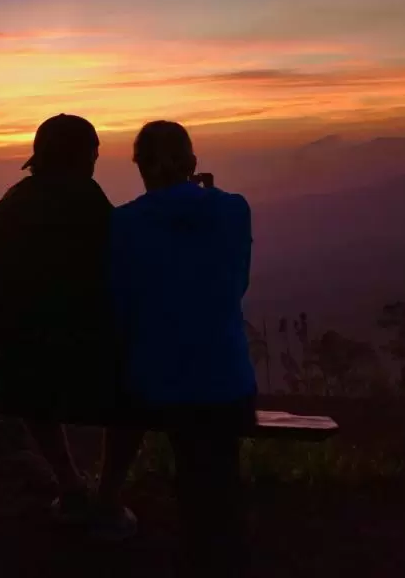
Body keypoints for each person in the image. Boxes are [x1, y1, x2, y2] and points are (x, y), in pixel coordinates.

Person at [0, 114, 138, 537]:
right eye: (95, 153)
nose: (97, 162)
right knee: (145, 378)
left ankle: (69, 487)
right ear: (83, 156)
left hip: (15, 379)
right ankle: (109, 498)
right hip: (88, 378)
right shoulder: (95, 209)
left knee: (23, 362)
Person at [110, 120, 256, 575]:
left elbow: (121, 306)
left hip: (158, 383)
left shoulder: (123, 222)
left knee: (192, 469)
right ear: (193, 163)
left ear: (140, 169)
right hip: (227, 382)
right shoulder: (235, 210)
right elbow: (237, 286)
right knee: (216, 478)